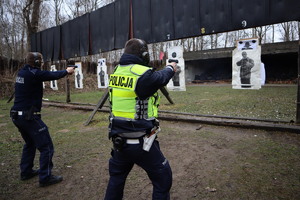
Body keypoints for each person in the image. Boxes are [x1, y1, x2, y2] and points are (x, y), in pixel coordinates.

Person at [104, 38, 177, 200]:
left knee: (116, 179)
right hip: (140, 142)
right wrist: (171, 68)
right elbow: (161, 77)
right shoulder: (142, 75)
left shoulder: (116, 71)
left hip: (119, 140)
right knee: (163, 178)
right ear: (144, 55)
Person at [10, 52, 75, 187]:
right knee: (46, 146)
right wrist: (67, 71)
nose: (43, 63)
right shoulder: (34, 74)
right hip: (28, 116)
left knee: (30, 143)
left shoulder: (23, 72)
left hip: (17, 115)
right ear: (37, 62)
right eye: (41, 61)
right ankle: (45, 177)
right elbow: (52, 75)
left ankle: (26, 171)